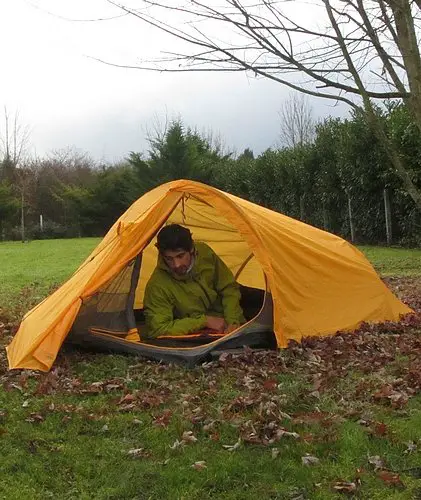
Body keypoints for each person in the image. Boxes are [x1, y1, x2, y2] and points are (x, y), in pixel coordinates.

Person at [143, 224, 245, 338]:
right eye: (169, 258)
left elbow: (229, 288)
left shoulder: (205, 254)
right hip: (196, 336)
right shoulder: (158, 285)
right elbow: (158, 329)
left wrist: (233, 321)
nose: (176, 264)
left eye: (180, 256)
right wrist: (204, 321)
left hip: (229, 322)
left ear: (191, 249)